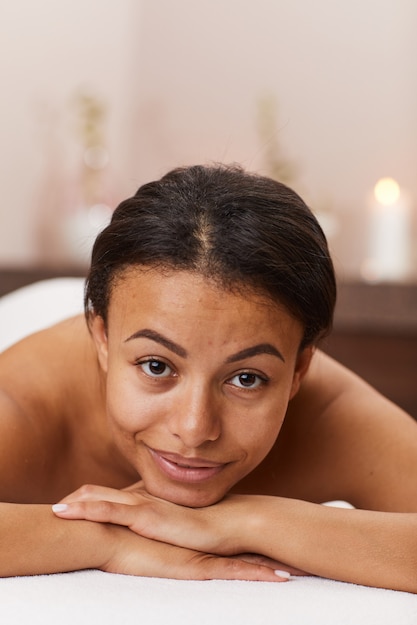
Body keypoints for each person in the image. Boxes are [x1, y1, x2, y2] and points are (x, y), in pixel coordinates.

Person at [1, 164, 417, 591]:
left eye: (247, 379)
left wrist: (249, 520)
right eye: (157, 367)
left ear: (298, 371)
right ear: (103, 341)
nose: (195, 429)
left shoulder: (327, 412)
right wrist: (108, 539)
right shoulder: (24, 400)